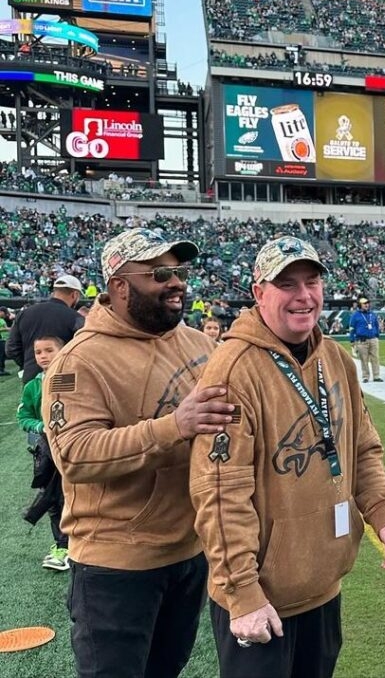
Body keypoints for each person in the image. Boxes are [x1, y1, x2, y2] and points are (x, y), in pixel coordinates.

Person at [190, 236, 385, 678]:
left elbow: (362, 446)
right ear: (259, 293)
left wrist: (383, 515)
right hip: (262, 599)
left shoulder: (335, 358)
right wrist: (243, 591)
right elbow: (218, 493)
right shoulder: (234, 369)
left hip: (322, 586)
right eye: (287, 284)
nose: (304, 295)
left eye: (312, 281)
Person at [42, 227, 233, 678]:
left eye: (179, 271)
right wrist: (173, 428)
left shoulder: (197, 342)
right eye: (159, 273)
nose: (176, 282)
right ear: (120, 287)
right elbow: (75, 454)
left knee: (167, 669)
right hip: (116, 566)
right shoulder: (79, 361)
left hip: (189, 551)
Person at [18, 335, 68, 570]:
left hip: (71, 451)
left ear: (63, 351)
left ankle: (77, 545)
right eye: (39, 352)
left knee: (75, 497)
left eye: (49, 350)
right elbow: (23, 416)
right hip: (46, 454)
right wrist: (39, 426)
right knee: (51, 501)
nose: (44, 356)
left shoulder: (71, 380)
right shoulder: (33, 386)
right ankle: (62, 547)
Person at [7, 274, 84, 384]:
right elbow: (83, 351)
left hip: (31, 378)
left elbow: (11, 349)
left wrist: (31, 363)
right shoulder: (76, 318)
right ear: (75, 294)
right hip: (64, 379)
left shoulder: (24, 313)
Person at [348, 297, 382, 382]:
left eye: (367, 303)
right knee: (364, 359)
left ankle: (376, 376)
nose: (367, 305)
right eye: (364, 303)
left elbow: (376, 325)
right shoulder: (355, 315)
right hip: (361, 340)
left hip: (373, 339)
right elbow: (352, 328)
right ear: (360, 305)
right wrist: (352, 340)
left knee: (375, 358)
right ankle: (365, 376)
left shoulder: (372, 314)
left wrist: (377, 336)